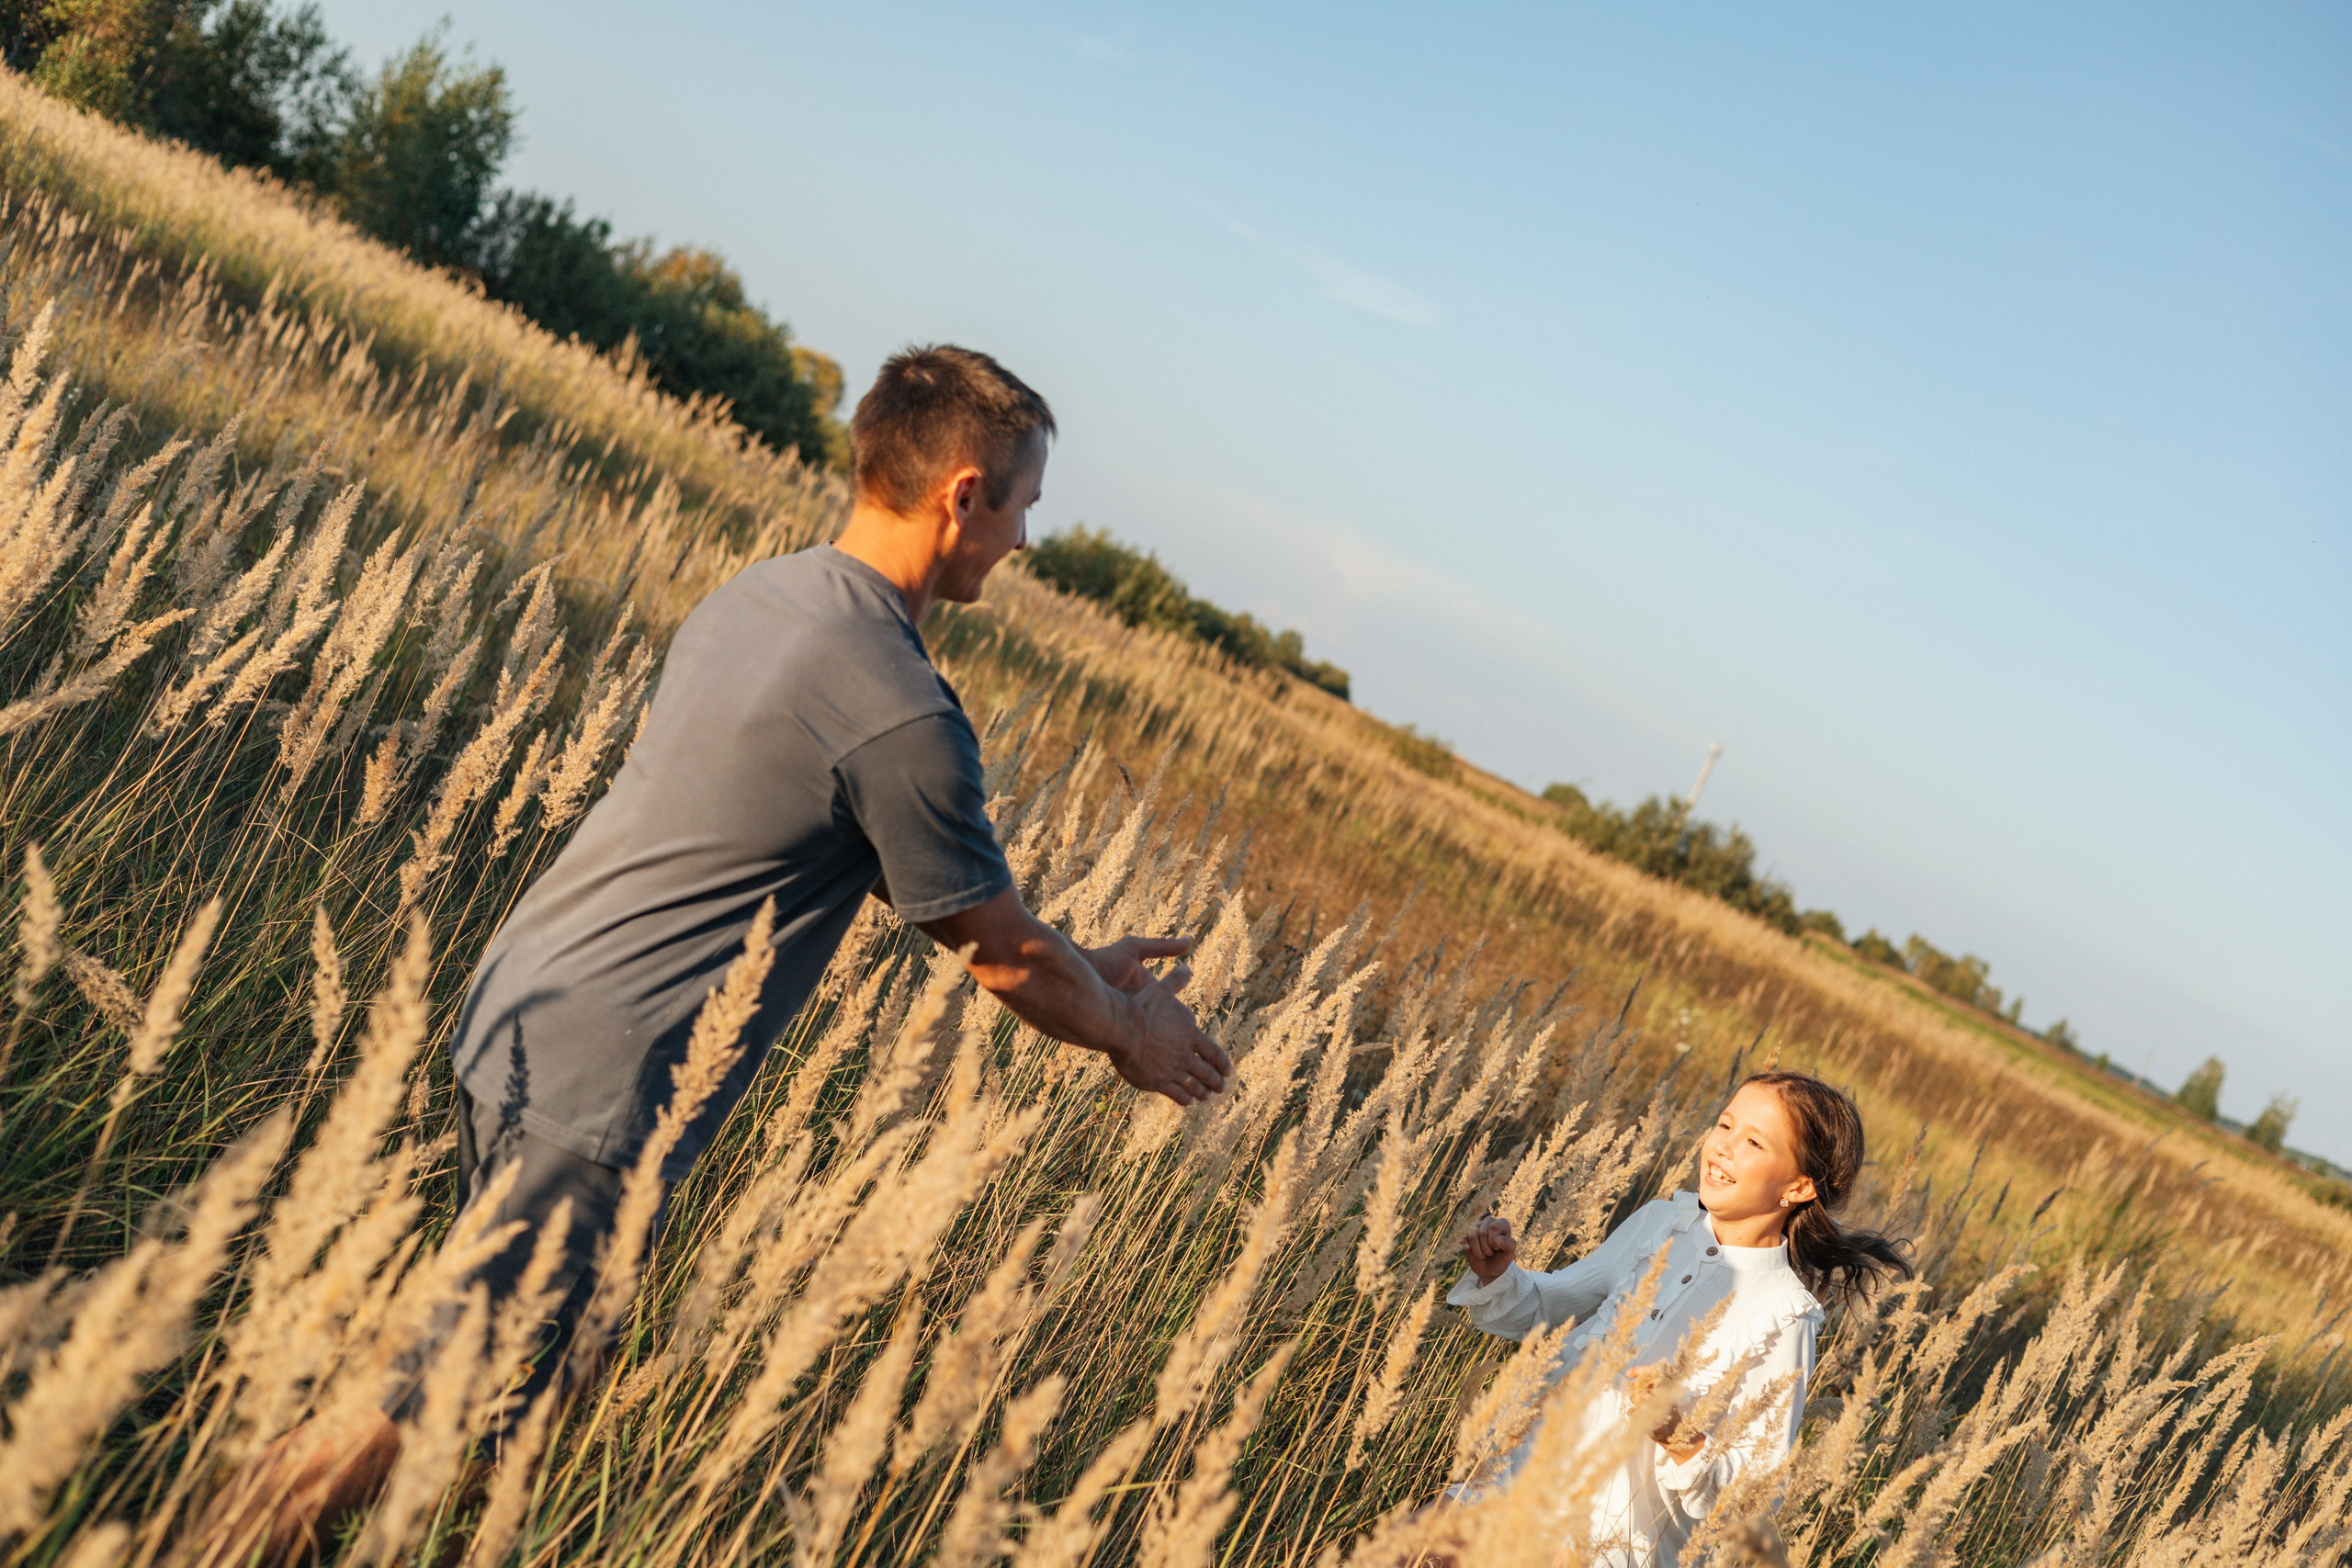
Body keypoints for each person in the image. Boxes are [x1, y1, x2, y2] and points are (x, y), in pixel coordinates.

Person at [215, 345, 1234, 1560]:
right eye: (1022, 507)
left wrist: (1084, 961)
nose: (1021, 540)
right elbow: (1002, 955)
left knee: (546, 1383)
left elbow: (972, 909)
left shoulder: (767, 592)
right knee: (427, 1396)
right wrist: (1134, 1029)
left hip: (526, 1002)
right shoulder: (902, 706)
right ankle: (208, 1536)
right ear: (965, 492)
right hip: (605, 1073)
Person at [1442, 1071, 1911, 1567]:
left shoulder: (1784, 1315)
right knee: (1417, 1546)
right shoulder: (1659, 1224)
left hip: (1605, 1544)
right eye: (1725, 1125)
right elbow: (1547, 1311)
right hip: (1519, 1479)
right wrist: (1500, 1276)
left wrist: (1678, 1436)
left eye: (1753, 1141)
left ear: (1797, 1186)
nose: (1724, 1147)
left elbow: (1754, 1499)